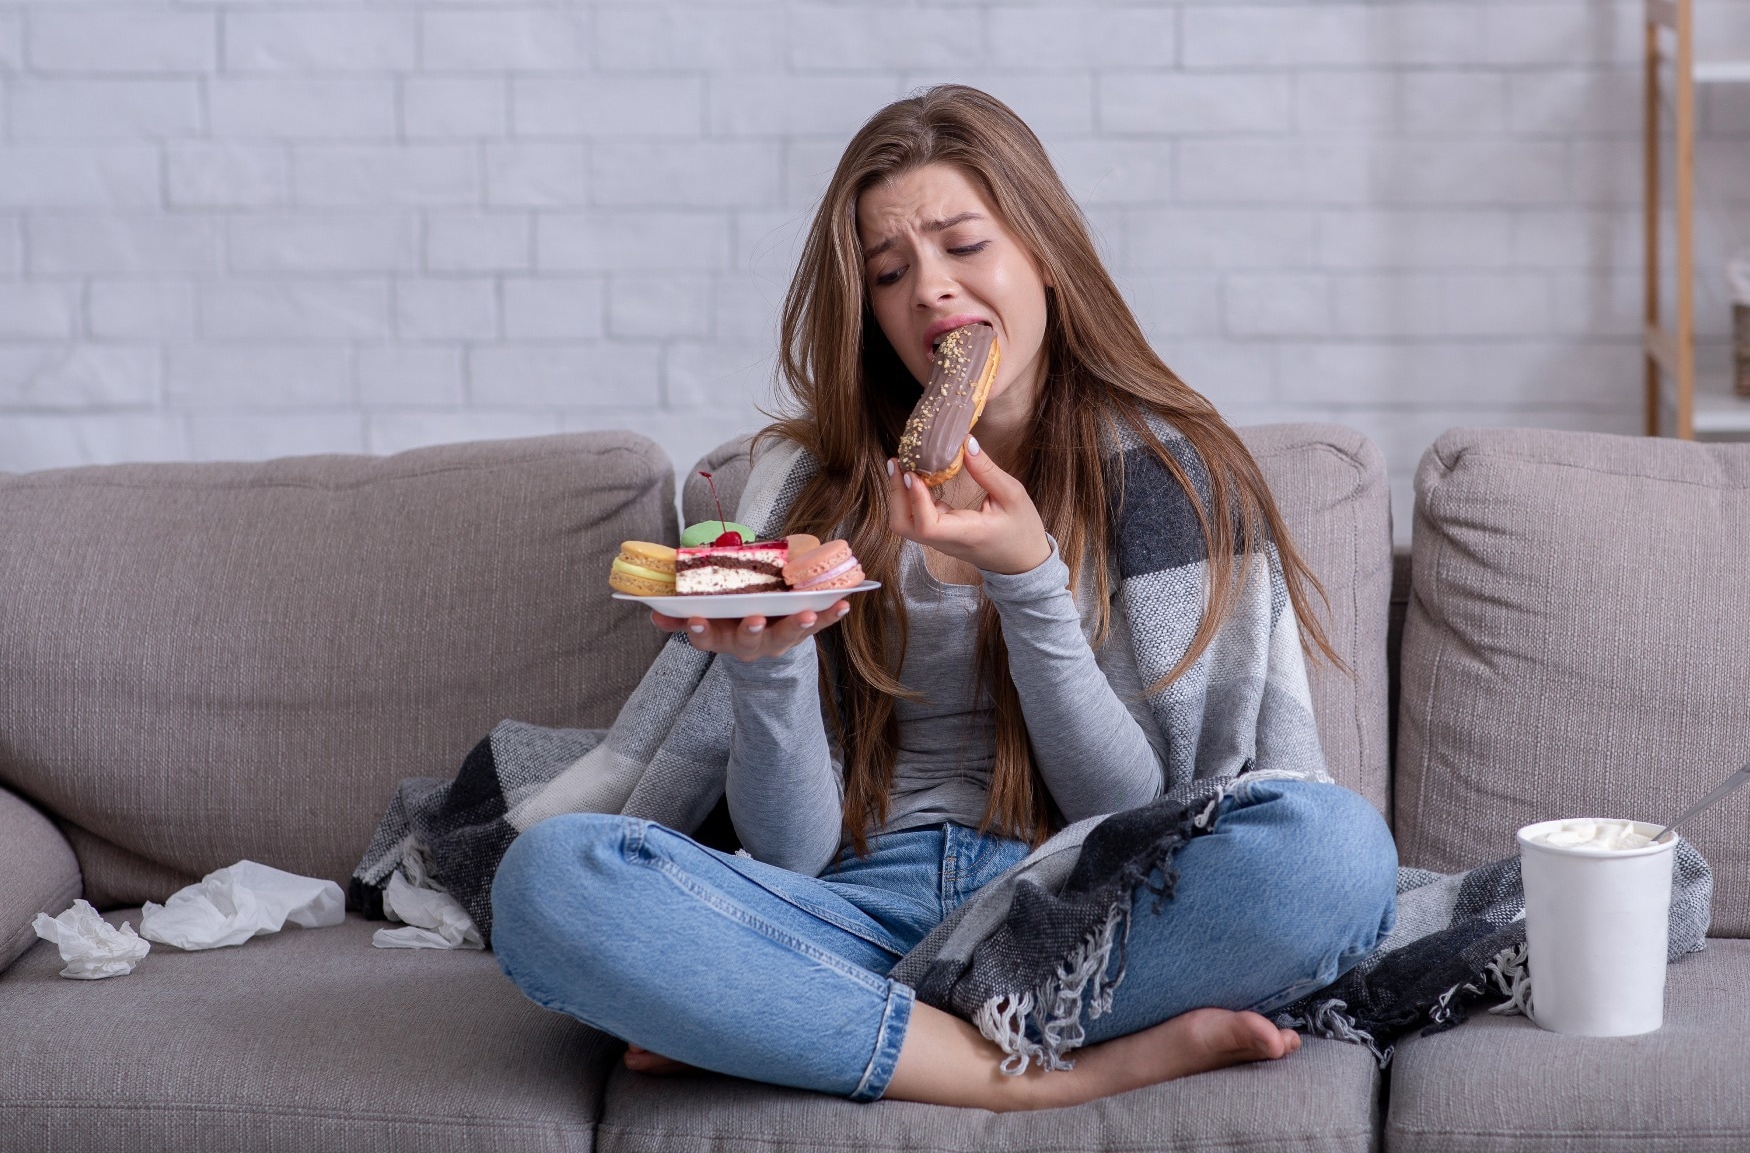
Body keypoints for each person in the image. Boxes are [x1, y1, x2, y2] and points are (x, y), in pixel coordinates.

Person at [486, 85, 1397, 1112]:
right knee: (551, 882)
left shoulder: (1172, 482)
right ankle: (1021, 1073)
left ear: (1041, 255)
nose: (930, 290)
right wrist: (766, 663)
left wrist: (1028, 581)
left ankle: (806, 1023)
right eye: (890, 271)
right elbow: (793, 851)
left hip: (1068, 908)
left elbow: (1131, 811)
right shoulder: (806, 489)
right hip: (847, 906)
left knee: (1334, 855)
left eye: (964, 245)